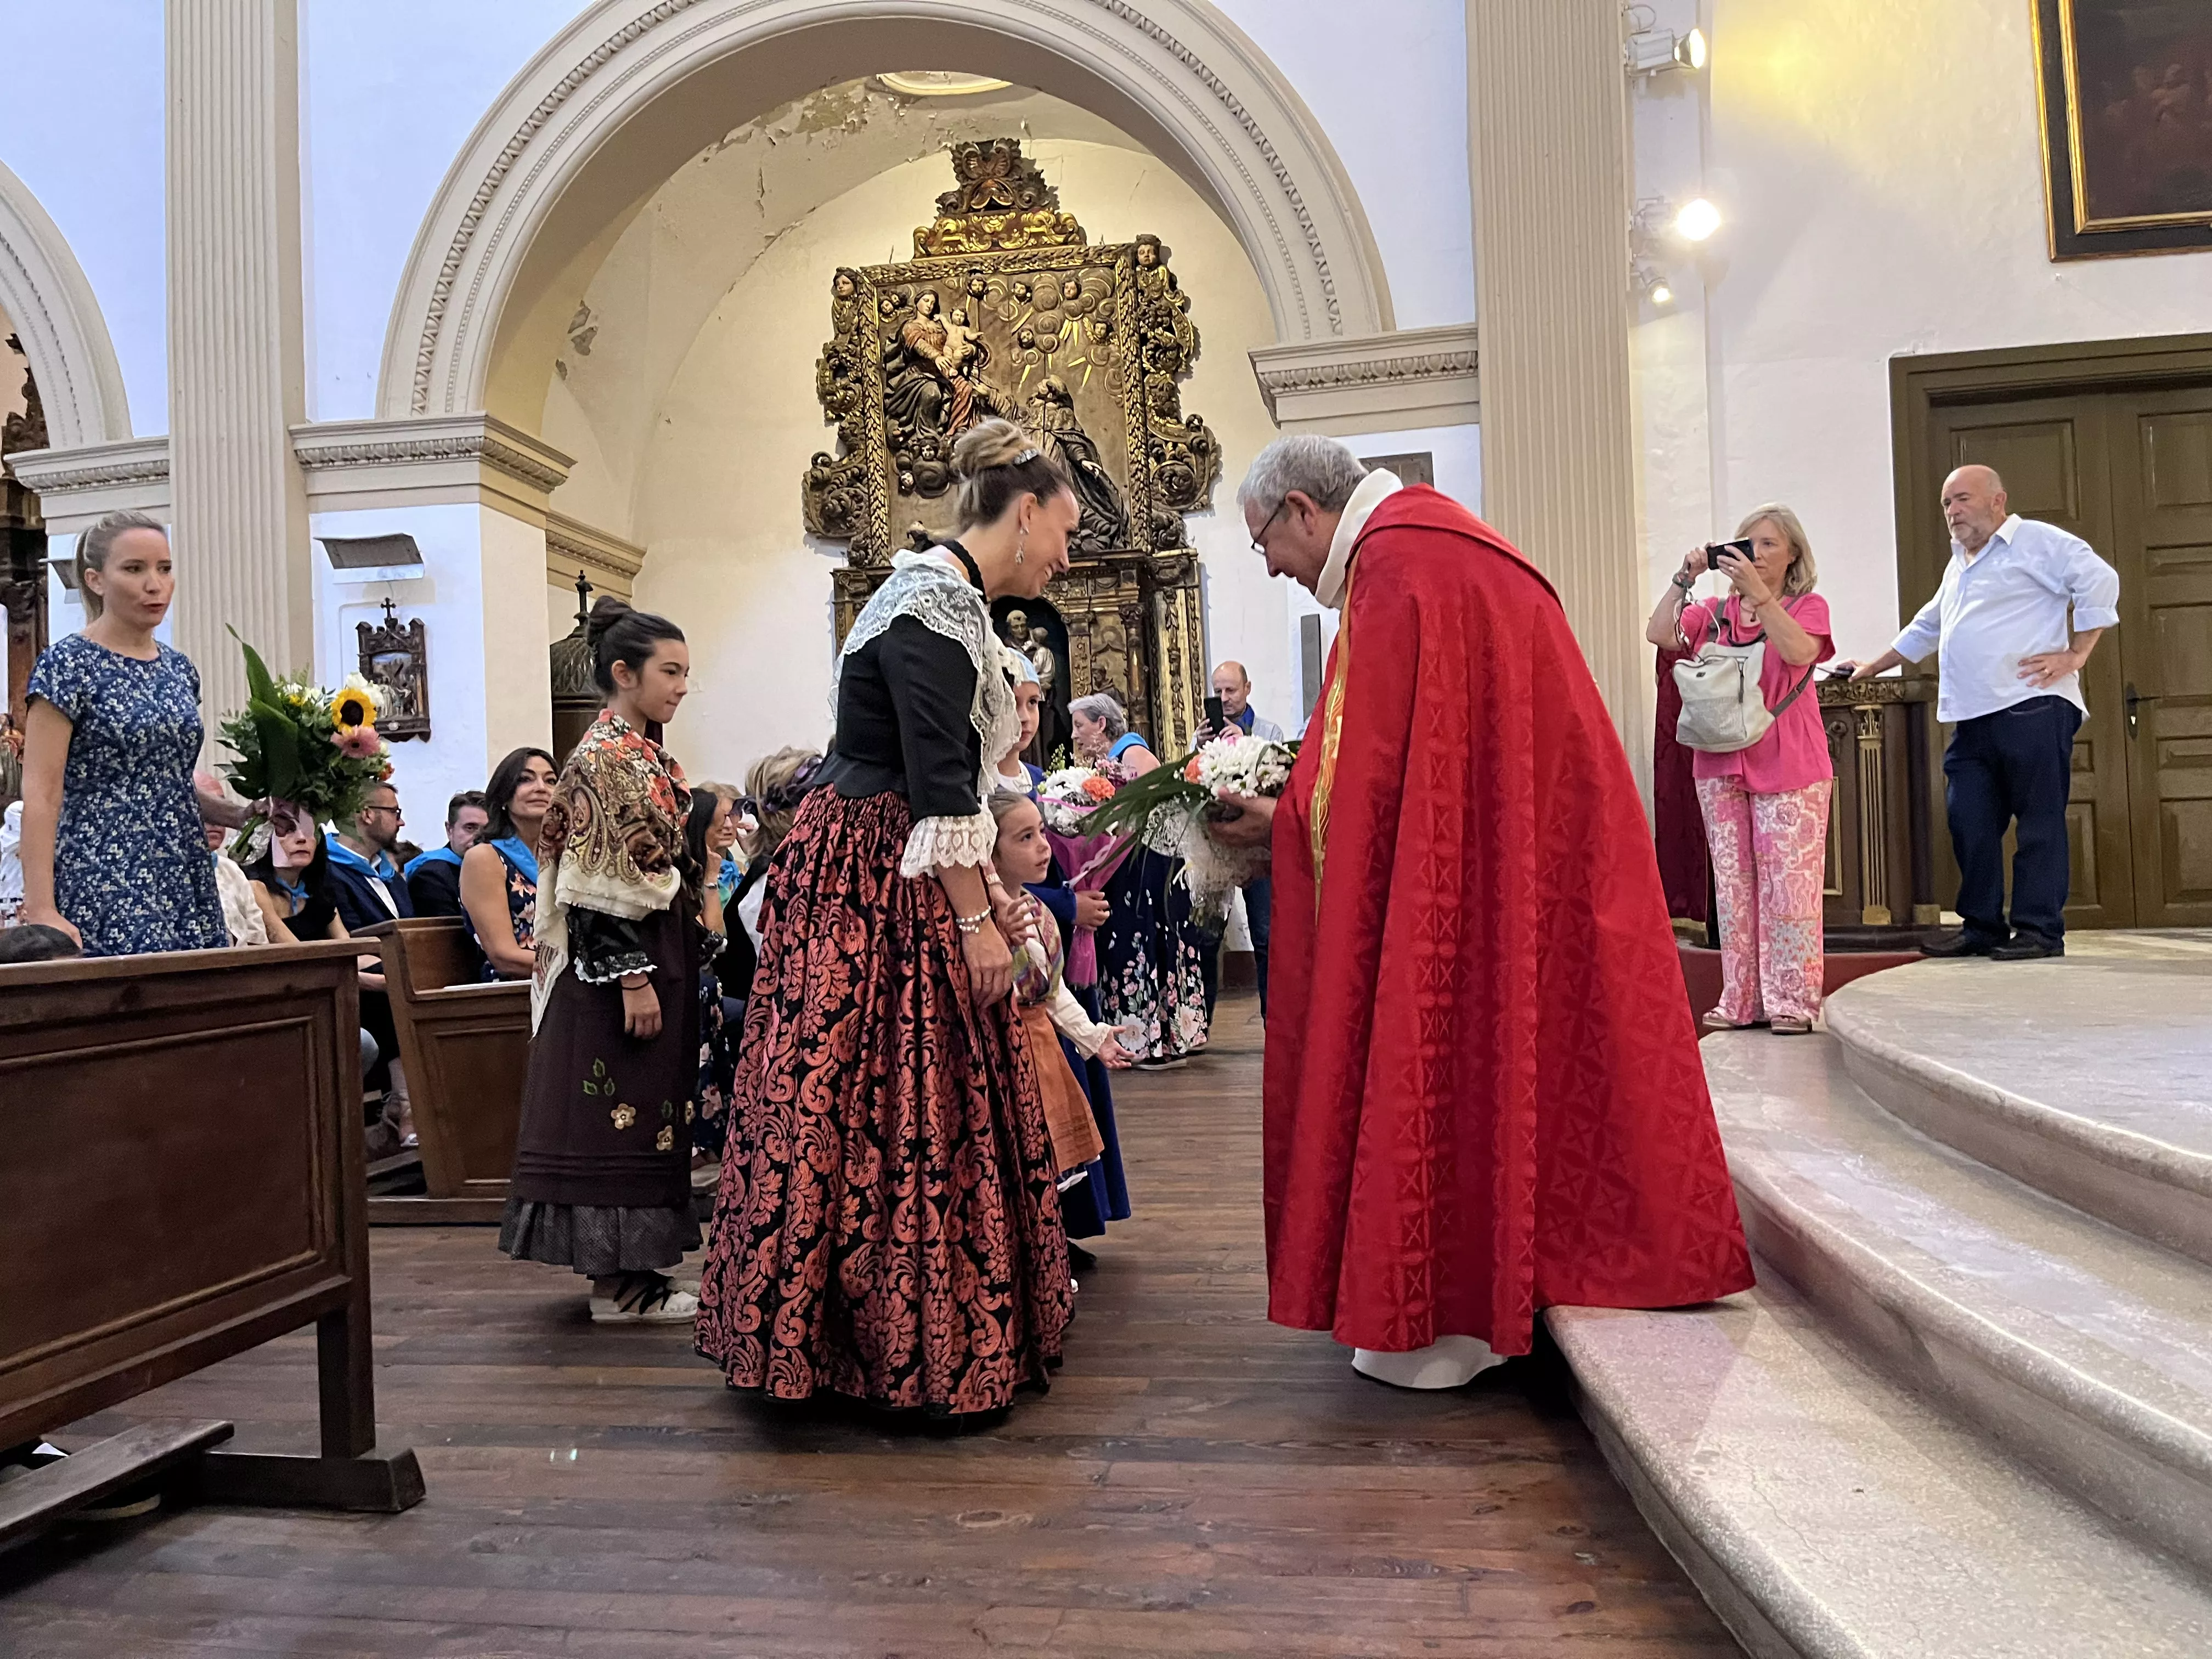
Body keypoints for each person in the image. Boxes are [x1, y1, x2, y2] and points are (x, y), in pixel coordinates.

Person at [1211, 436, 1753, 1390]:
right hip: (1522, 849)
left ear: (1303, 508)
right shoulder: (1432, 547)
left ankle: (1449, 1306)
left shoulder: (1399, 566)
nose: (1272, 567)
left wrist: (1280, 819)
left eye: (1264, 542)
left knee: (1456, 1044)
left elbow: (1368, 783)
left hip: (1467, 864)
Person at [695, 419, 1079, 1417]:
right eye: (1063, 530)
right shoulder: (932, 605)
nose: (1065, 554)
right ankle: (879, 1343)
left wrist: (989, 895)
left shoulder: (950, 603)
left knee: (915, 1088)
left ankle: (913, 1326)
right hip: (877, 869)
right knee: (881, 1086)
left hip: (895, 858)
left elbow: (953, 783)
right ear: (1024, 509)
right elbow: (936, 781)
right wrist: (972, 923)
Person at [499, 601, 705, 1324]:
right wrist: (634, 979)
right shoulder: (604, 758)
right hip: (616, 966)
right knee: (613, 1116)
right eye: (670, 671)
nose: (682, 686)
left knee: (649, 1113)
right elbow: (594, 886)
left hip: (651, 949)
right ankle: (618, 1287)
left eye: (686, 672)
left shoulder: (640, 754)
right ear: (624, 673)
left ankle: (638, 1273)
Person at [1837, 464, 2119, 960]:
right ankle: (1981, 927)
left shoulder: (2034, 541)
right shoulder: (1959, 565)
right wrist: (1874, 666)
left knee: (2038, 823)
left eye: (1963, 499)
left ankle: (2039, 932)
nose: (1953, 511)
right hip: (1971, 716)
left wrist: (2076, 655)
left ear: (1998, 500)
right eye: (1947, 503)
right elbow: (1928, 626)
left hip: (2032, 706)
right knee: (1969, 821)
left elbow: (2100, 579)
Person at [1645, 506, 1834, 1034]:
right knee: (1733, 886)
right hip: (1719, 760)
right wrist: (1684, 577)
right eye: (1747, 543)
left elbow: (1800, 652)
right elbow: (1660, 633)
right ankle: (1741, 998)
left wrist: (1762, 596)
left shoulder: (1806, 606)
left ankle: (1792, 1001)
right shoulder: (1713, 612)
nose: (1756, 553)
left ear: (1794, 553)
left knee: (1789, 888)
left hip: (1790, 762)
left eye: (1769, 544)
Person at [17, 511, 227, 956]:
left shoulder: (179, 669)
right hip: (103, 868)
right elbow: (41, 793)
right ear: (95, 580)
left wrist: (245, 816)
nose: (155, 584)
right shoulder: (68, 665)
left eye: (164, 569)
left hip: (182, 870)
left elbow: (169, 782)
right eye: (135, 569)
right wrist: (42, 908)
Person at [989, 788, 1133, 1260]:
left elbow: (1051, 991)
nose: (1043, 847)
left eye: (1042, 834)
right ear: (991, 855)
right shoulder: (985, 926)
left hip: (1043, 1051)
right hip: (1007, 1057)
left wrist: (1093, 1037)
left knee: (1048, 1161)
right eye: (1025, 838)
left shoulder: (1041, 911)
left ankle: (1049, 1255)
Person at [1071, 691, 1209, 1069]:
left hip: (1149, 870)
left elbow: (1156, 810)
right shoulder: (1108, 761)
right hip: (1132, 868)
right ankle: (1144, 1039)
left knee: (1142, 945)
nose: (1075, 735)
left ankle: (1152, 1041)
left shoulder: (1131, 753)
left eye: (1080, 725)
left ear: (1102, 724)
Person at [462, 749, 555, 981]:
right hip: (513, 989)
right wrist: (580, 971)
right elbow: (503, 955)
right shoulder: (485, 858)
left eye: (551, 781)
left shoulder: (564, 858)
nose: (541, 788)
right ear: (504, 796)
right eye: (526, 779)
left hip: (567, 984)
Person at [326, 782, 416, 932]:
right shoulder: (328, 872)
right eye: (395, 812)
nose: (401, 822)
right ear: (367, 815)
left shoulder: (389, 873)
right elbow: (354, 938)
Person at [404, 790, 489, 918]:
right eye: (470, 828)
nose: (479, 837)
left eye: (486, 830)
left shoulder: (496, 868)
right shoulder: (431, 876)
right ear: (450, 830)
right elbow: (445, 934)